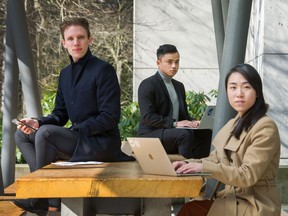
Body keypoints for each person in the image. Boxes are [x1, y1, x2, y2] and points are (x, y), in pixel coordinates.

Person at [12, 17, 134, 215]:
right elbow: (60, 114)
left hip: (101, 142)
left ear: (89, 40)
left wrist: (75, 130)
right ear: (64, 43)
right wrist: (37, 121)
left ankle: (40, 197)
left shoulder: (104, 70)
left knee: (46, 134)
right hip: (78, 138)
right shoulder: (65, 74)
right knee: (22, 134)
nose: (75, 42)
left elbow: (110, 116)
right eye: (70, 38)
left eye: (80, 37)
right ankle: (49, 196)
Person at [173, 63, 281, 216]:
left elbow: (247, 176)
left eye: (246, 87)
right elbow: (215, 159)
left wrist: (203, 168)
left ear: (257, 92)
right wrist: (188, 164)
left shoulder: (265, 127)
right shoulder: (234, 123)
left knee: (191, 211)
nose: (239, 93)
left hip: (255, 205)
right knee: (190, 209)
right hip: (234, 200)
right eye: (233, 87)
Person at [137, 44, 212, 159]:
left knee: (205, 133)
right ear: (158, 63)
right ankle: (186, 170)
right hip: (151, 133)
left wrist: (194, 123)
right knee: (184, 135)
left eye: (177, 62)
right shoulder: (147, 85)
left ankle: (199, 167)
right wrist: (175, 124)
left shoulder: (179, 86)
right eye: (170, 62)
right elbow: (148, 117)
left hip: (172, 132)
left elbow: (183, 115)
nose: (174, 66)